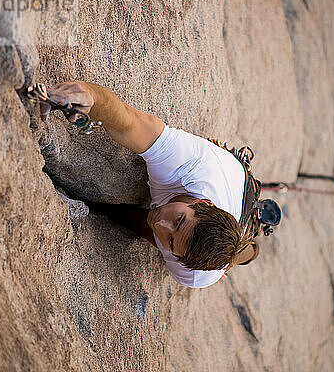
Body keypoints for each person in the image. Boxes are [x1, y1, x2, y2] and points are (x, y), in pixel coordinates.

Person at [42, 81, 259, 288]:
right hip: (236, 175)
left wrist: (114, 213)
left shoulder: (193, 275)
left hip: (234, 219)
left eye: (172, 242)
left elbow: (145, 227)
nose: (161, 224)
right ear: (202, 203)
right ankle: (249, 245)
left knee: (240, 254)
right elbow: (127, 123)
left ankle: (247, 250)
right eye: (179, 220)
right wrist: (88, 95)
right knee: (242, 244)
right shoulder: (187, 164)